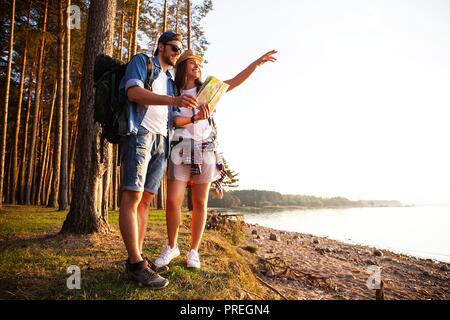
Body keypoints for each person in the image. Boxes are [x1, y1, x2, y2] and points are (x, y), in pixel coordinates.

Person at [154, 49, 277, 269]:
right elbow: (172, 121)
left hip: (205, 148)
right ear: (182, 66)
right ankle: (172, 246)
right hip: (179, 149)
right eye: (192, 62)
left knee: (200, 202)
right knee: (173, 200)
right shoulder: (172, 91)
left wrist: (256, 64)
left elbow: (233, 82)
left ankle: (194, 251)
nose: (197, 66)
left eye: (199, 64)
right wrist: (194, 116)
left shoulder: (207, 89)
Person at [118, 31, 198, 288]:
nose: (176, 53)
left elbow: (175, 116)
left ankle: (138, 259)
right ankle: (135, 263)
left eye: (179, 50)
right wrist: (173, 99)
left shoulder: (170, 81)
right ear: (161, 46)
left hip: (162, 141)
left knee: (145, 203)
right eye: (173, 48)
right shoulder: (143, 62)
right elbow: (134, 93)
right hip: (140, 134)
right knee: (132, 196)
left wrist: (196, 114)